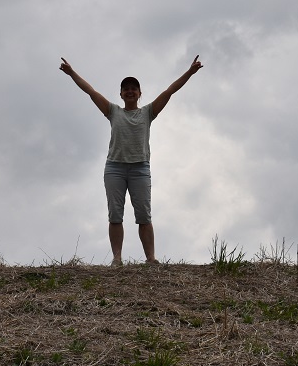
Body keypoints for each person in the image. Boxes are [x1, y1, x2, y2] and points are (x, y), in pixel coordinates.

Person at [59, 55, 203, 265]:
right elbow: (90, 91)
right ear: (121, 93)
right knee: (115, 215)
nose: (129, 91)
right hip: (115, 168)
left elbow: (169, 91)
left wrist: (190, 72)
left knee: (144, 216)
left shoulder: (148, 112)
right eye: (125, 88)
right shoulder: (113, 111)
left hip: (140, 170)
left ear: (139, 93)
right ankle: (117, 258)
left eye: (133, 88)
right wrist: (72, 73)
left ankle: (151, 258)